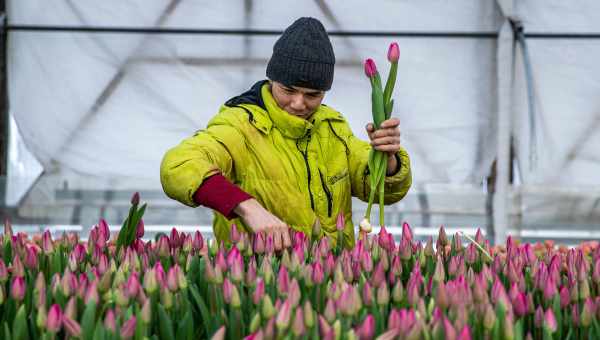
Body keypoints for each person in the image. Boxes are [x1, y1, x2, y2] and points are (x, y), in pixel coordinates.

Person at [160, 17, 411, 247]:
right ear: (271, 80)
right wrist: (247, 207)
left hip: (335, 281)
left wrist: (387, 159)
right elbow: (178, 166)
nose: (299, 104)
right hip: (257, 280)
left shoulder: (332, 126)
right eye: (288, 90)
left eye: (313, 95)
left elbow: (376, 188)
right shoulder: (240, 124)